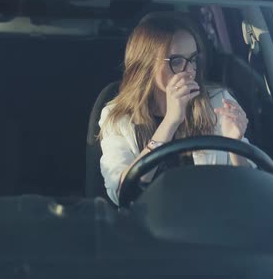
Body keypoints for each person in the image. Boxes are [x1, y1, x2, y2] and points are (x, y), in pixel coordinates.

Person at [99, 14, 251, 205]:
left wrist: (235, 145)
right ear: (146, 64)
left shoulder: (217, 101)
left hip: (211, 221)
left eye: (193, 59)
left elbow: (248, 187)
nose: (190, 71)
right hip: (147, 226)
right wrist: (170, 121)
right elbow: (121, 192)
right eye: (177, 61)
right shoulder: (118, 117)